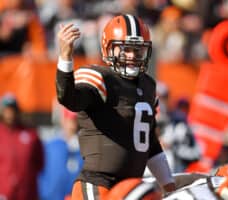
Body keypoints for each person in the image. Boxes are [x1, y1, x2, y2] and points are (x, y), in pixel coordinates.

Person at [56, 14, 176, 199]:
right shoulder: (101, 78)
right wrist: (65, 57)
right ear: (108, 48)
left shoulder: (148, 86)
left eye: (137, 51)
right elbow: (69, 98)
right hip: (99, 184)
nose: (132, 56)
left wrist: (169, 186)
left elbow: (149, 143)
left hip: (133, 188)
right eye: (125, 49)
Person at [0, 93, 44, 200]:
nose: (10, 114)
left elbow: (40, 163)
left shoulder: (30, 134)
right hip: (4, 193)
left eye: (12, 109)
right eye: (7, 110)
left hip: (26, 193)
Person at [38, 107, 83, 200]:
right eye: (69, 120)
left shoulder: (83, 147)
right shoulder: (51, 146)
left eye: (74, 120)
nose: (72, 124)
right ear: (63, 120)